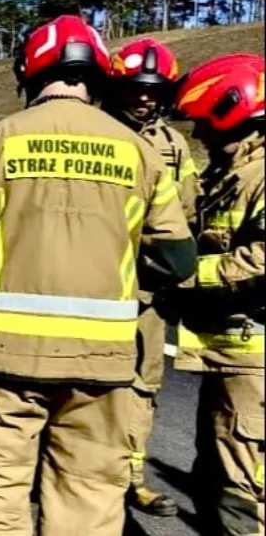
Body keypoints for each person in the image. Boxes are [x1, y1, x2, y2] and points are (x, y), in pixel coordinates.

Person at [0, 14, 197, 536]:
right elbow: (176, 260)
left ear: (30, 70)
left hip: (4, 356)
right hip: (105, 359)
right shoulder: (140, 150)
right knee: (89, 496)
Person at [164, 52, 264, 536]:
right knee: (213, 481)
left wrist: (185, 275)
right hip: (228, 355)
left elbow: (261, 261)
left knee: (241, 497)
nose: (199, 134)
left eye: (204, 122)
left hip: (254, 364)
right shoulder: (231, 175)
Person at [105, 37, 199, 517]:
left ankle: (131, 479)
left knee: (143, 386)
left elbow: (187, 212)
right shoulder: (94, 132)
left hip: (146, 291)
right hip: (96, 284)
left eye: (154, 90)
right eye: (135, 88)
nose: (144, 98)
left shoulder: (173, 145)